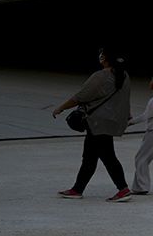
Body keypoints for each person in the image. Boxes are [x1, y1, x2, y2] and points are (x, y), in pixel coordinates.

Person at [51, 47, 135, 202]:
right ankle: (77, 189)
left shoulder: (100, 76)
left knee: (107, 156)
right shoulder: (124, 75)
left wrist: (61, 108)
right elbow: (125, 98)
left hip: (97, 122)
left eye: (102, 54)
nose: (100, 56)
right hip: (110, 121)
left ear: (105, 58)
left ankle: (123, 189)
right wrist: (127, 116)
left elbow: (80, 97)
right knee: (90, 156)